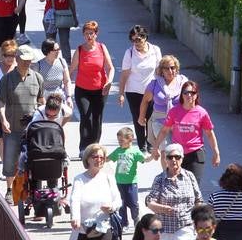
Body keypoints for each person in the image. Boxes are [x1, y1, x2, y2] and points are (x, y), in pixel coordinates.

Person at [0, 44, 44, 201]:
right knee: (10, 160)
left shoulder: (37, 78)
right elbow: (0, 103)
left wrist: (43, 117)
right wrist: (3, 120)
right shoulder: (7, 80)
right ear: (16, 59)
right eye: (23, 60)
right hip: (12, 128)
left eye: (29, 60)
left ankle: (32, 192)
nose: (26, 63)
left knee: (34, 161)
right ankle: (10, 190)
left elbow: (41, 101)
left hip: (32, 130)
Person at [152, 80, 220, 184]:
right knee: (177, 185)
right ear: (182, 95)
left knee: (193, 185)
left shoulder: (201, 112)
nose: (189, 95)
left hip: (195, 153)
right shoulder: (174, 111)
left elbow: (210, 134)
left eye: (192, 93)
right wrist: (156, 147)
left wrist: (216, 152)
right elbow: (164, 130)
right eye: (186, 92)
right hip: (177, 154)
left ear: (196, 95)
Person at [69, 21, 114, 156]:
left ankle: (94, 146)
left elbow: (110, 67)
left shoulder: (101, 48)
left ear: (96, 34)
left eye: (91, 33)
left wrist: (110, 81)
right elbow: (72, 69)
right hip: (82, 89)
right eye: (86, 34)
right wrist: (65, 85)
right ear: (83, 35)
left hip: (100, 89)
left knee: (97, 118)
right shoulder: (80, 50)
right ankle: (84, 147)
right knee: (85, 116)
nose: (89, 36)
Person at [146, 142, 203, 240]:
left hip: (186, 228)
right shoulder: (159, 179)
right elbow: (150, 202)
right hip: (164, 231)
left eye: (177, 157)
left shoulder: (189, 176)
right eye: (170, 157)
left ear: (182, 158)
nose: (173, 160)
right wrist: (161, 208)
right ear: (165, 159)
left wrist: (197, 220)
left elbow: (198, 200)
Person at [117, 26, 162, 151]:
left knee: (150, 116)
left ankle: (150, 143)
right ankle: (141, 144)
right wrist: (121, 93)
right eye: (133, 40)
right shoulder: (129, 53)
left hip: (151, 90)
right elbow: (124, 74)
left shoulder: (155, 50)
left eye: (138, 40)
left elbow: (158, 70)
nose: (136, 43)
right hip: (133, 90)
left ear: (145, 38)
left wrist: (163, 87)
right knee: (138, 118)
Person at [138, 56, 188, 164]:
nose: (170, 71)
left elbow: (192, 100)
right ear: (161, 70)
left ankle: (178, 174)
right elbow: (145, 101)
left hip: (179, 122)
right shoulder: (155, 84)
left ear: (176, 68)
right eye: (166, 68)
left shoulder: (183, 83)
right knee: (166, 151)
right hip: (160, 122)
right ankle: (167, 177)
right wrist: (141, 117)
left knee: (179, 151)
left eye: (172, 67)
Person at [39, 0, 77, 64]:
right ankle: (50, 62)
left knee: (64, 41)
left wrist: (74, 16)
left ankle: (67, 63)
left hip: (63, 15)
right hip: (50, 17)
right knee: (50, 42)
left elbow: (71, 0)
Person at [108, 127, 146, 229]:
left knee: (133, 204)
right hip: (119, 182)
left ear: (130, 139)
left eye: (121, 141)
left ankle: (136, 220)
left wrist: (153, 156)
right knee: (121, 204)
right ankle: (124, 223)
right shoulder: (118, 151)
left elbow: (145, 160)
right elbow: (108, 158)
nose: (119, 143)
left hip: (131, 182)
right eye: (118, 141)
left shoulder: (135, 151)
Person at [33, 38, 73, 106]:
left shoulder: (62, 62)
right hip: (44, 99)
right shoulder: (38, 65)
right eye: (55, 50)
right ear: (48, 51)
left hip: (59, 97)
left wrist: (69, 97)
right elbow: (34, 86)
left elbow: (67, 81)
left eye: (59, 49)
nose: (58, 51)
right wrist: (40, 99)